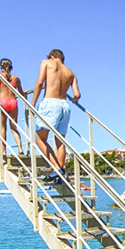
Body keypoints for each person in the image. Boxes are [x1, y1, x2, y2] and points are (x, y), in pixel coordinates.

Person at [32, 49, 81, 182]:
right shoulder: (70, 73)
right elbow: (77, 95)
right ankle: (60, 172)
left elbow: (40, 82)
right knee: (60, 141)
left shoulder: (47, 63)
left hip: (50, 103)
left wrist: (32, 103)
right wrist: (74, 100)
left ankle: (57, 169)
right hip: (64, 105)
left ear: (52, 56)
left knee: (40, 138)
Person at [0, 59, 24, 155]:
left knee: (3, 128)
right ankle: (20, 148)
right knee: (13, 128)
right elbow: (21, 92)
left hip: (2, 101)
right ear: (11, 67)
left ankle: (3, 151)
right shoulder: (16, 79)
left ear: (1, 67)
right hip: (13, 102)